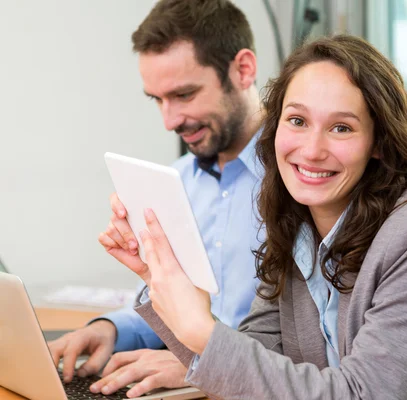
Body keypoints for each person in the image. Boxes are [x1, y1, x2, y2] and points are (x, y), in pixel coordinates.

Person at [102, 35, 407, 399]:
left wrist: (201, 331)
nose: (311, 150)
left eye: (341, 128)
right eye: (297, 121)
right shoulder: (297, 222)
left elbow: (362, 394)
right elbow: (256, 363)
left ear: (378, 142)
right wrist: (160, 280)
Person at [48, 0, 264, 397]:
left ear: (243, 70)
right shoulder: (176, 181)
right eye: (157, 99)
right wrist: (110, 329)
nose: (170, 121)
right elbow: (174, 309)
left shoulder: (302, 180)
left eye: (184, 94)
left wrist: (204, 364)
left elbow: (320, 342)